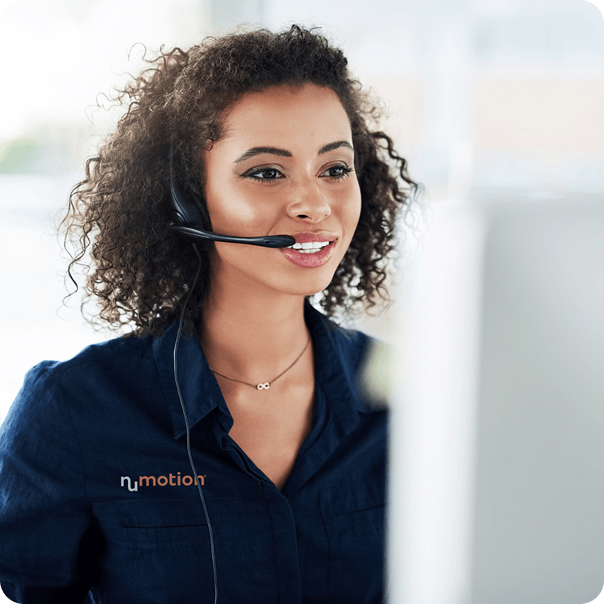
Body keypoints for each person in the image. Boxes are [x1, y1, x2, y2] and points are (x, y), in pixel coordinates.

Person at [0, 25, 417, 603]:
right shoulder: (73, 410)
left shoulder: (417, 397)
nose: (314, 205)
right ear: (188, 199)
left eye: (334, 169)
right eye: (267, 172)